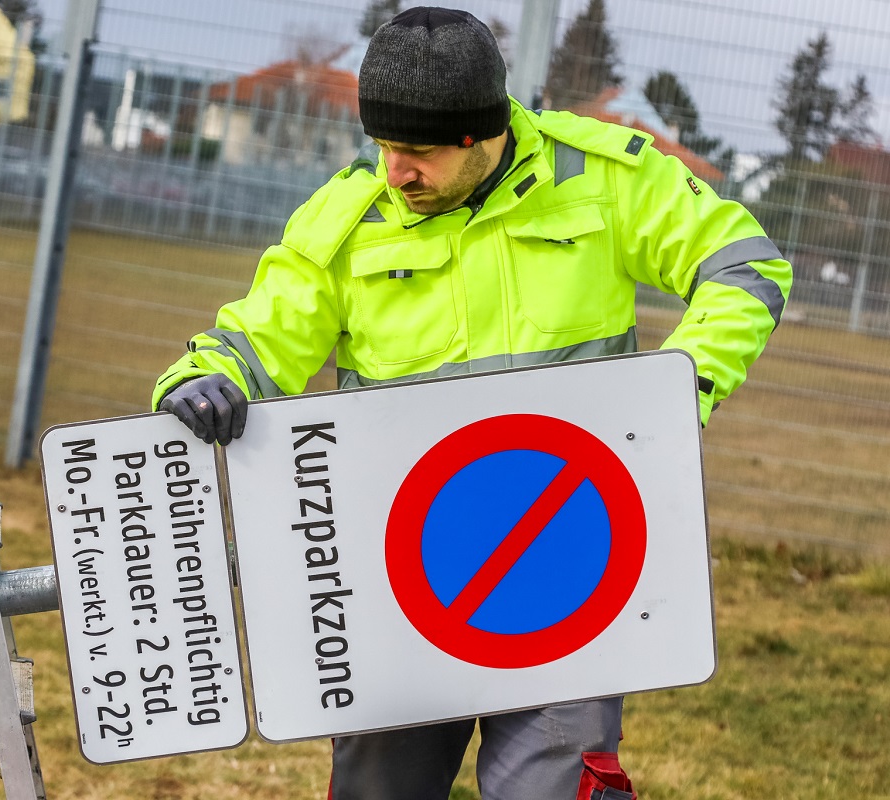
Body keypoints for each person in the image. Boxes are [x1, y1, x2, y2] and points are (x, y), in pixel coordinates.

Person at [153, 7, 792, 799]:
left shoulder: (604, 179)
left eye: (415, 152)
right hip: (398, 574)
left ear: (478, 134)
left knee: (554, 786)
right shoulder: (348, 222)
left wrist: (675, 394)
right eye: (382, 146)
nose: (394, 172)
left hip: (567, 563)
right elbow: (255, 337)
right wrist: (202, 377)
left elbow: (744, 268)